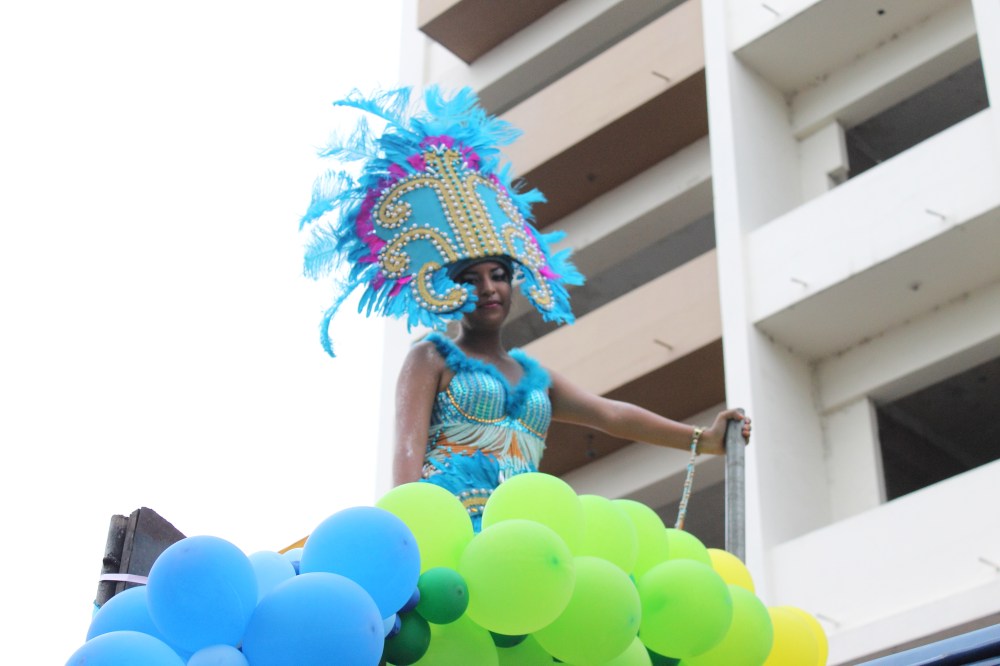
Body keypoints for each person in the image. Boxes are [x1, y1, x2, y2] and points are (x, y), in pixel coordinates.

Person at [301, 86, 749, 528]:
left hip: (522, 533)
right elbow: (406, 452)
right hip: (450, 528)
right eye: (471, 279)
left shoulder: (539, 379)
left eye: (498, 274)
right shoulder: (429, 358)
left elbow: (612, 415)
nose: (488, 288)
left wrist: (705, 439)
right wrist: (406, 533)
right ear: (450, 290)